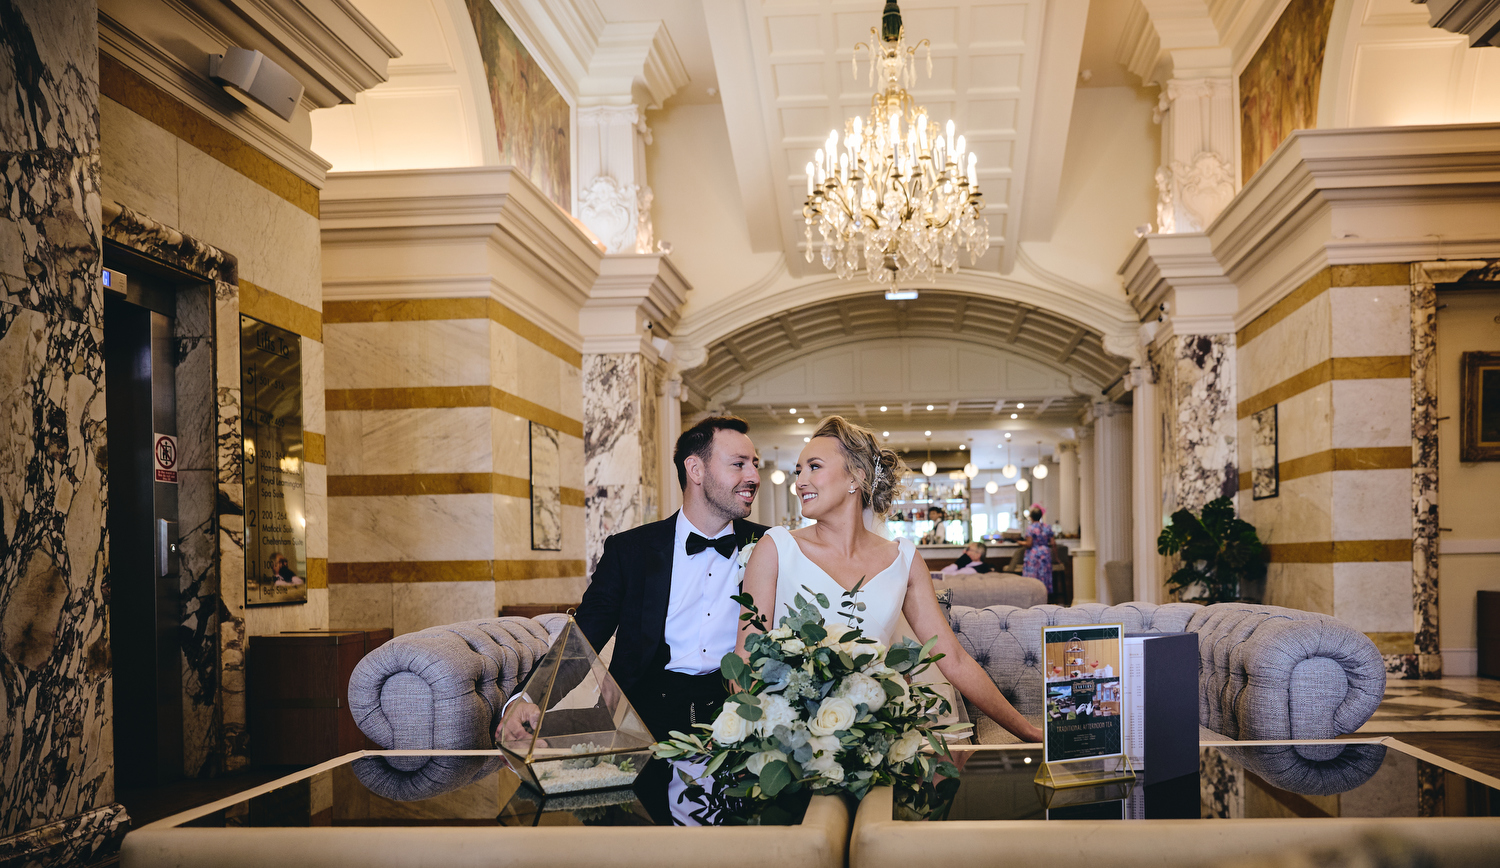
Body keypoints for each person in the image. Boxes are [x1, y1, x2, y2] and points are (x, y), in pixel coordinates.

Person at [737, 416, 1043, 743]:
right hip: (792, 740)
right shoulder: (775, 548)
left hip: (879, 738)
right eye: (799, 471)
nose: (800, 482)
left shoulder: (904, 560)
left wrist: (1028, 731)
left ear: (856, 476)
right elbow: (745, 659)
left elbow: (953, 659)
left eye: (814, 466)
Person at [527, 415, 767, 744]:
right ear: (695, 470)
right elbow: (584, 637)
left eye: (755, 464)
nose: (753, 476)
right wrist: (527, 701)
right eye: (739, 464)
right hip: (641, 722)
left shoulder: (770, 547)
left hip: (741, 719)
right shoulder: (630, 551)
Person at [1019, 505, 1054, 591]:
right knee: (1044, 574)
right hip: (1045, 554)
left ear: (1031, 517)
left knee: (1033, 577)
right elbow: (1053, 543)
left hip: (1033, 555)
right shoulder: (1047, 527)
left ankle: (1033, 592)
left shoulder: (1030, 528)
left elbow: (1029, 544)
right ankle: (1044, 593)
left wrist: (1019, 542)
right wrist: (1056, 558)